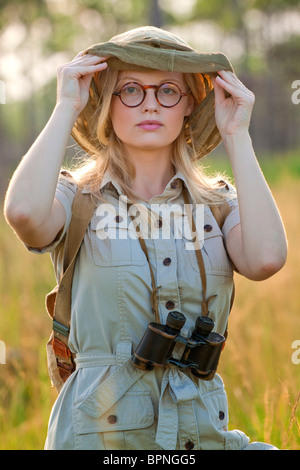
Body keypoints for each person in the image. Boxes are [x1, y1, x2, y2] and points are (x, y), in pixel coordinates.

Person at [4, 26, 287, 450]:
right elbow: (24, 214)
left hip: (199, 435)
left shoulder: (218, 204)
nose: (151, 104)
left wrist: (237, 135)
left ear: (188, 104)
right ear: (107, 105)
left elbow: (266, 259)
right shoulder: (77, 198)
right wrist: (66, 106)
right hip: (99, 439)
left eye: (168, 90)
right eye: (131, 90)